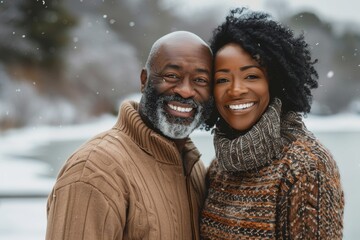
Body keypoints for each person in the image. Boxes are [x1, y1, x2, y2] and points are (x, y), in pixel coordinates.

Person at [45, 31, 214, 240]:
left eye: (200, 80)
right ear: (144, 80)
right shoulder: (93, 171)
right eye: (172, 76)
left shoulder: (195, 169)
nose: (186, 91)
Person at [200, 7, 344, 240]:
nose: (235, 90)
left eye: (251, 76)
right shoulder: (220, 166)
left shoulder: (307, 167)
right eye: (223, 79)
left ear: (274, 81)